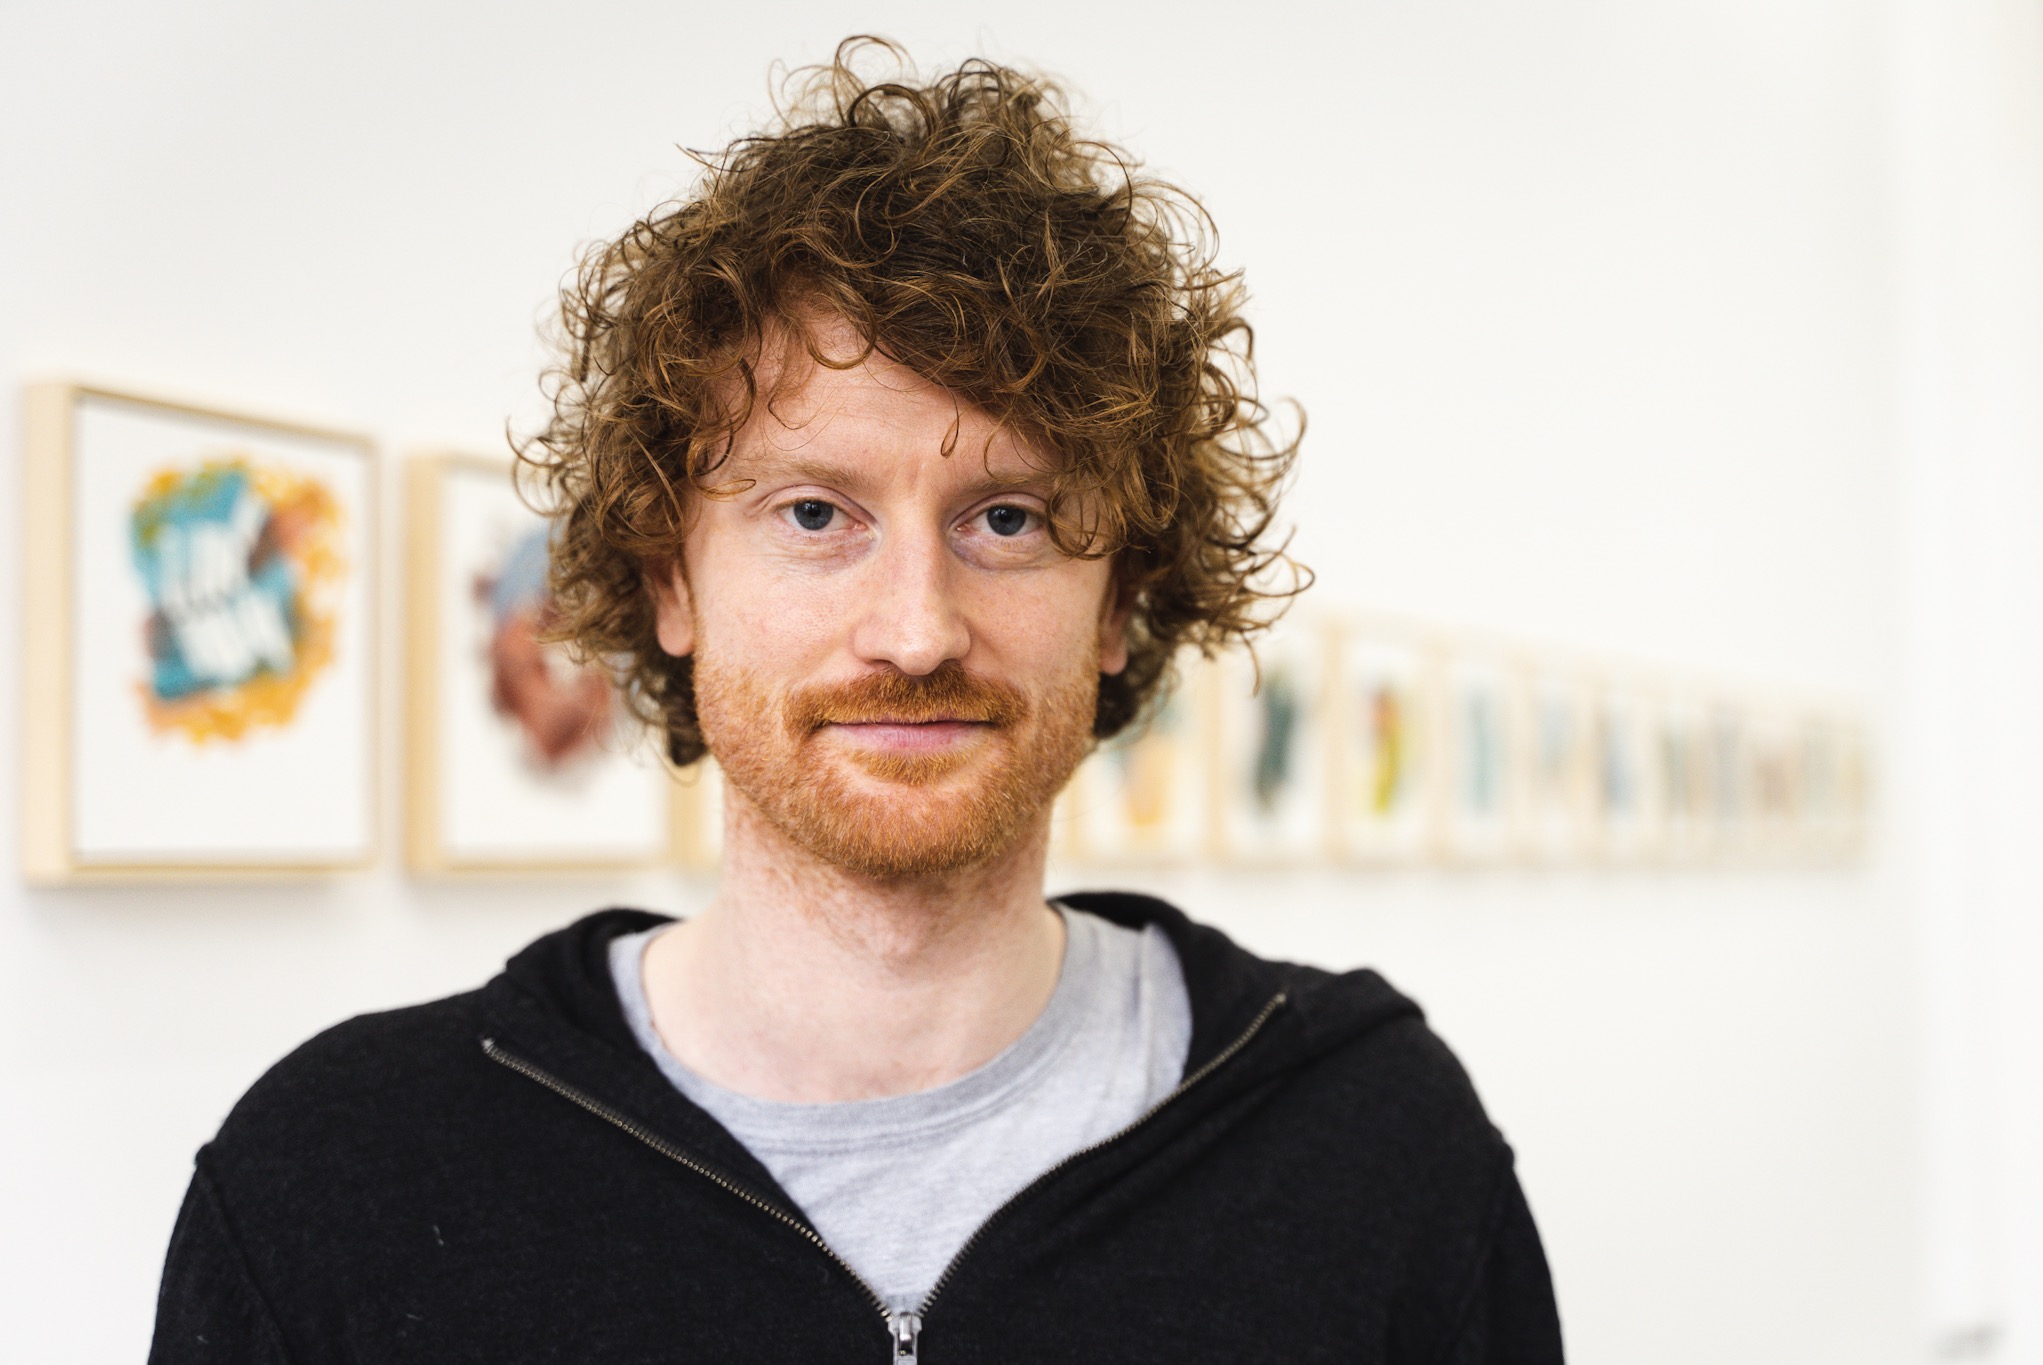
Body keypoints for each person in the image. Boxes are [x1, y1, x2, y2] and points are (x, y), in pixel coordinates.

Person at [149, 40, 1562, 1364]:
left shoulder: (1378, 1150)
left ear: (1123, 598)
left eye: (1005, 518)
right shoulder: (336, 1185)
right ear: (669, 584)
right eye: (815, 510)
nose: (914, 628)